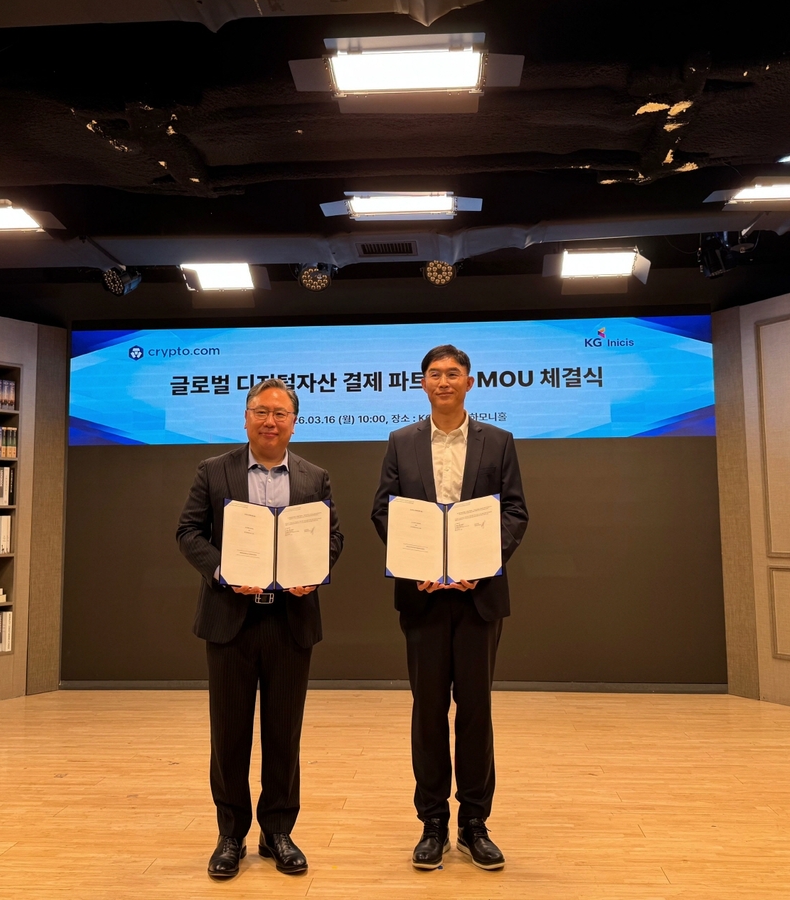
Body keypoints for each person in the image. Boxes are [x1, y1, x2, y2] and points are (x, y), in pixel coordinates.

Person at [177, 377, 344, 881]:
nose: (270, 421)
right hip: (231, 620)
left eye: (280, 414)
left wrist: (313, 571)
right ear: (246, 418)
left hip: (290, 620)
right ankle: (230, 835)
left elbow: (333, 537)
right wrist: (223, 570)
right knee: (228, 735)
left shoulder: (315, 477)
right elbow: (188, 532)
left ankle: (278, 832)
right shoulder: (214, 470)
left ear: (294, 422)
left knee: (283, 734)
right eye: (261, 412)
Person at [371, 344, 529, 872]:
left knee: (476, 712)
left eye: (453, 373)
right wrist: (414, 564)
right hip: (422, 598)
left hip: (479, 598)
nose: (444, 381)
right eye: (435, 374)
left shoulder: (498, 441)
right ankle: (433, 823)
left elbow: (515, 512)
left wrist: (481, 565)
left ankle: (475, 825)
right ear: (423, 383)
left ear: (469, 382)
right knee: (429, 711)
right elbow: (383, 510)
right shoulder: (401, 442)